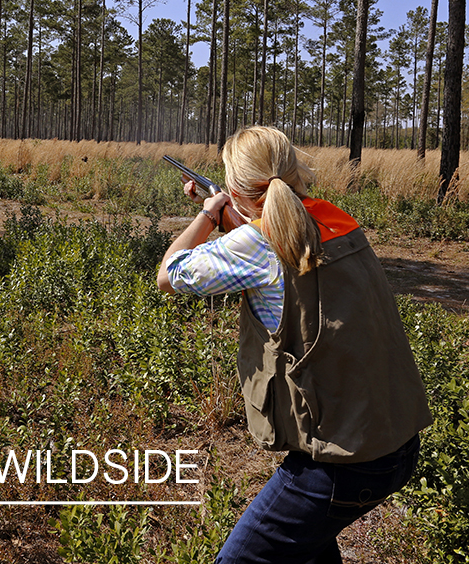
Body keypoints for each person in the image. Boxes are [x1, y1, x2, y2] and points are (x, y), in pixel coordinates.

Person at [157, 126, 431, 564]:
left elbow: (169, 274)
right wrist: (233, 217)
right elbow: (282, 247)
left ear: (234, 187)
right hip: (392, 442)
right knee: (310, 552)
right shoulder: (334, 218)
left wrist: (208, 216)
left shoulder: (255, 242)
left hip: (339, 463)